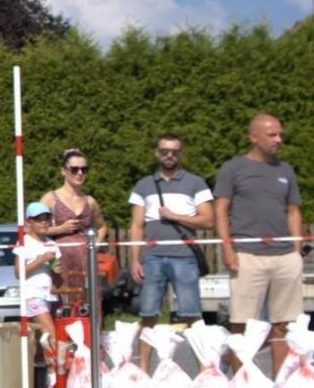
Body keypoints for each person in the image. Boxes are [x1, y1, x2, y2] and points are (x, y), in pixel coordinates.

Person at [216, 114, 304, 373]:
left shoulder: (285, 170)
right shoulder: (233, 169)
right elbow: (221, 209)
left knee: (284, 324)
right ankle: (241, 382)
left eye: (280, 135)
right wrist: (228, 248)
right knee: (242, 323)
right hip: (248, 255)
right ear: (254, 137)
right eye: (272, 135)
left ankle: (279, 383)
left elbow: (293, 211)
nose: (278, 139)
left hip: (284, 256)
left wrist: (296, 251)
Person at [128, 134, 214, 370]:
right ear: (157, 153)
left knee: (192, 314)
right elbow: (136, 226)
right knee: (148, 314)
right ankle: (143, 370)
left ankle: (204, 369)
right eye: (165, 151)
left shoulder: (195, 183)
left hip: (185, 257)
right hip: (152, 258)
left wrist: (175, 216)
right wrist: (136, 259)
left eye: (174, 151)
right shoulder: (143, 186)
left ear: (181, 154)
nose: (169, 155)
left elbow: (208, 221)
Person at [40, 148, 107, 315]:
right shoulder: (51, 198)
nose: (79, 173)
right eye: (74, 169)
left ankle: (92, 337)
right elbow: (33, 228)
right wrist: (60, 229)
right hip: (62, 258)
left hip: (86, 258)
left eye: (84, 169)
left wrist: (95, 246)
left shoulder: (90, 201)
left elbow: (102, 226)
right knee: (65, 301)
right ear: (64, 171)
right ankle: (64, 337)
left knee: (89, 299)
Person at [14, 202, 63, 388]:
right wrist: (41, 259)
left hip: (47, 295)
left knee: (36, 341)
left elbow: (56, 272)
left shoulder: (52, 244)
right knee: (50, 333)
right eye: (38, 220)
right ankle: (53, 378)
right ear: (29, 222)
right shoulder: (24, 242)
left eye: (46, 219)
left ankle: (35, 381)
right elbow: (19, 273)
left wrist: (58, 270)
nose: (44, 223)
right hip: (31, 295)